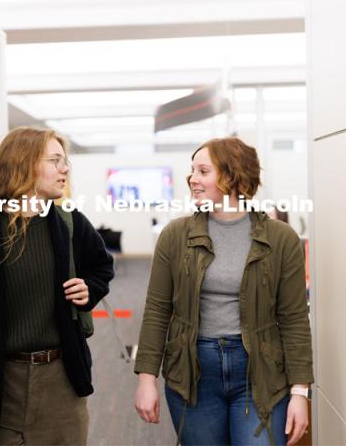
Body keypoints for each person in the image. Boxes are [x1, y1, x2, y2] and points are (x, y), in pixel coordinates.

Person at [0, 127, 114, 446]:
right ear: (24, 164)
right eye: (55, 160)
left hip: (62, 384)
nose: (65, 169)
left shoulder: (70, 222)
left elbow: (101, 266)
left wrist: (90, 288)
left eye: (65, 160)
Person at [134, 137, 313, 446]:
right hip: (193, 372)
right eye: (192, 171)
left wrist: (300, 392)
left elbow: (294, 319)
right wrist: (146, 379)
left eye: (203, 171)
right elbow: (157, 310)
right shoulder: (175, 236)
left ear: (232, 176)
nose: (192, 179)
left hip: (261, 372)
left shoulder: (281, 238)